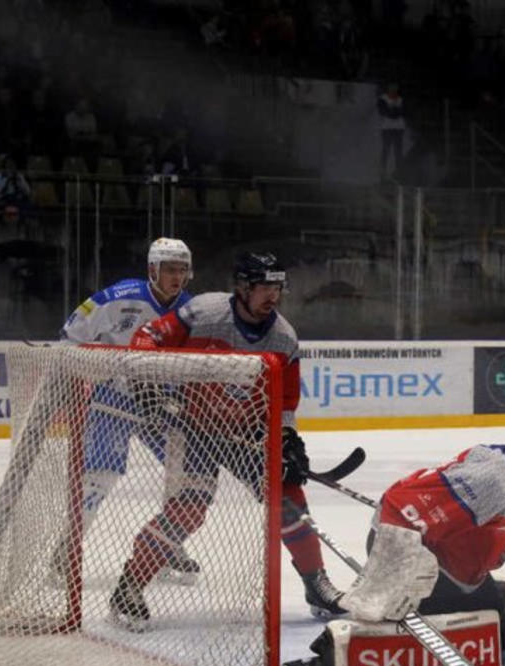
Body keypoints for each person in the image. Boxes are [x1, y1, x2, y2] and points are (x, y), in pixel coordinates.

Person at [278, 413, 505, 666]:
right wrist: (401, 568)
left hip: (462, 571)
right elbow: (397, 503)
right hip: (409, 548)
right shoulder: (490, 480)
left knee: (500, 631)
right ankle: (323, 664)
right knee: (384, 612)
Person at [107, 253, 343, 629]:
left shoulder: (283, 338)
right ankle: (129, 587)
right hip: (193, 428)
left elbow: (284, 403)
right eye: (264, 287)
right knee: (188, 509)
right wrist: (146, 381)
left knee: (289, 500)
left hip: (245, 433)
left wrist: (287, 440)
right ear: (243, 287)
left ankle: (316, 584)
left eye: (277, 288)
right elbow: (148, 337)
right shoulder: (204, 313)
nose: (272, 296)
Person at [55, 238, 196, 579]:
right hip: (113, 398)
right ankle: (66, 552)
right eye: (169, 269)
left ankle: (166, 546)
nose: (176, 276)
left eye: (182, 269)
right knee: (98, 478)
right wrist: (90, 373)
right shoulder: (115, 298)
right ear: (152, 270)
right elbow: (70, 336)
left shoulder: (192, 310)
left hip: (162, 403)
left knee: (184, 477)